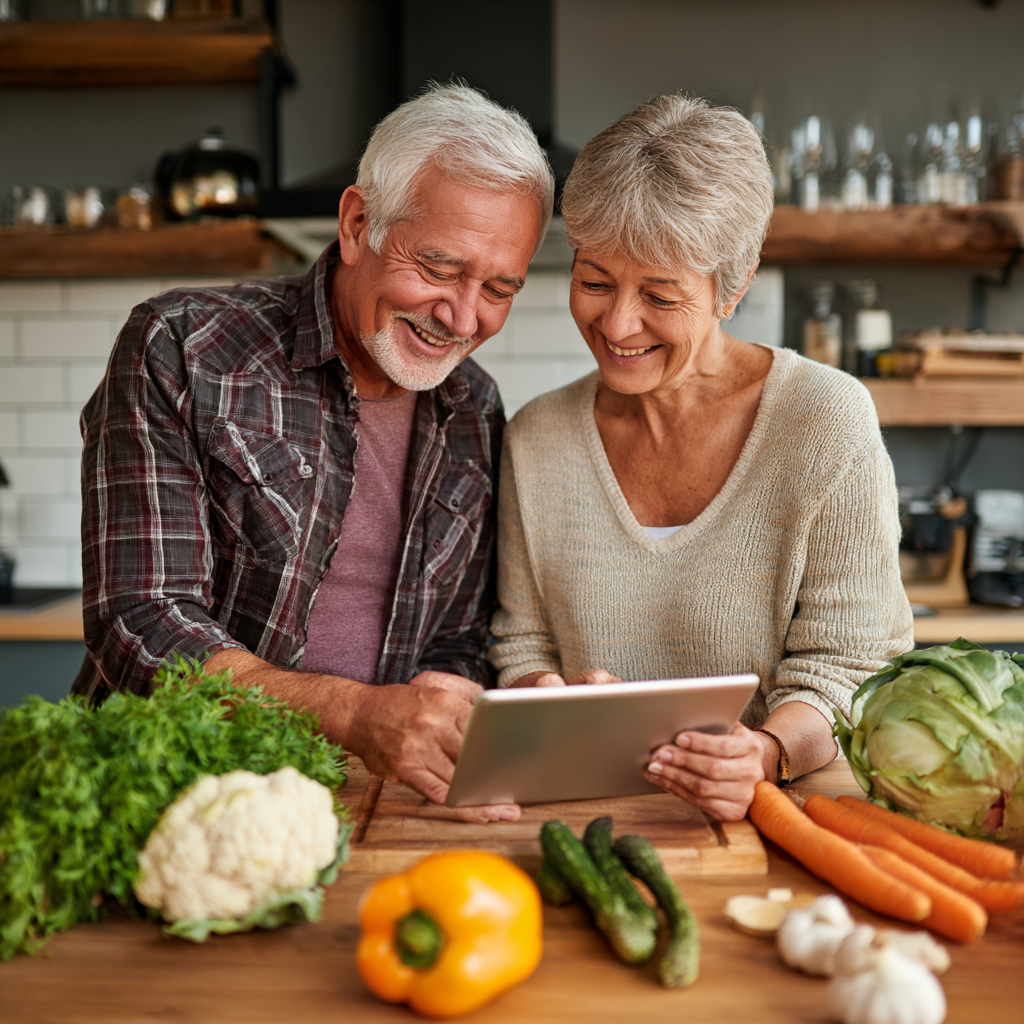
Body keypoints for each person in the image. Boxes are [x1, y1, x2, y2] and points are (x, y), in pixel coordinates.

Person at [73, 84, 554, 821]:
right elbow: (144, 620)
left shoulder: (473, 407)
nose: (463, 319)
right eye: (438, 268)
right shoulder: (184, 346)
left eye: (498, 288)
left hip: (366, 805)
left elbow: (454, 640)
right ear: (358, 224)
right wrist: (354, 714)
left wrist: (469, 707)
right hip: (168, 799)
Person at [488, 96, 913, 821]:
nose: (618, 324)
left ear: (734, 287)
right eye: (594, 282)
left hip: (774, 819)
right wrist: (543, 696)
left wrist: (765, 753)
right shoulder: (537, 439)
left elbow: (853, 663)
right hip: (580, 815)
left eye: (660, 295)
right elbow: (521, 644)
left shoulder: (825, 421)